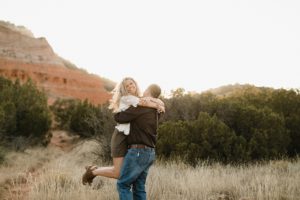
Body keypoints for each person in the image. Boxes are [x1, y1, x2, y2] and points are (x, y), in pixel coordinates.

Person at [82, 77, 164, 185]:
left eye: (131, 83)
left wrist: (158, 102)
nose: (130, 87)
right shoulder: (127, 98)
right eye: (127, 86)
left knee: (126, 173)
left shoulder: (139, 98)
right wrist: (159, 105)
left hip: (131, 138)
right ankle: (93, 172)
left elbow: (147, 101)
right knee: (118, 173)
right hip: (120, 137)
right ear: (124, 89)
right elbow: (145, 103)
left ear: (136, 83)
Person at [114, 84, 163, 200]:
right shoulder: (158, 109)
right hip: (150, 153)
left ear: (148, 92)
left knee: (123, 184)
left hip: (138, 152)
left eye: (145, 89)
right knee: (139, 187)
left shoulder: (140, 107)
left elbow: (119, 117)